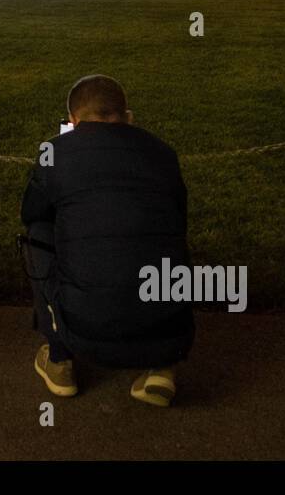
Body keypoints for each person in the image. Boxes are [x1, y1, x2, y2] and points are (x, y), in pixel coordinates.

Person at [20, 75, 193, 405]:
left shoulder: (54, 151)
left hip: (84, 328)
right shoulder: (163, 153)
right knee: (161, 235)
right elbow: (178, 219)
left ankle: (59, 357)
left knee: (37, 234)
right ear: (128, 117)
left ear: (72, 120)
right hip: (168, 330)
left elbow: (31, 212)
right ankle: (161, 367)